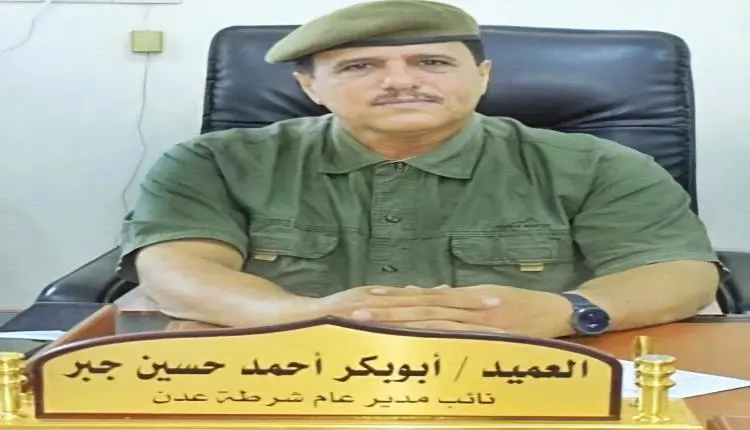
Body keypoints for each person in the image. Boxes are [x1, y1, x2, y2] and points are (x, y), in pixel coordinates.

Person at [117, 0, 721, 338]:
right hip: (288, 375)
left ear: (481, 77)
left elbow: (679, 273)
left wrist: (566, 312)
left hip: (530, 373)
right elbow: (178, 270)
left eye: (431, 62)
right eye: (360, 67)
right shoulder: (214, 163)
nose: (401, 81)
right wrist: (298, 317)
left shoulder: (598, 165)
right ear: (310, 87)